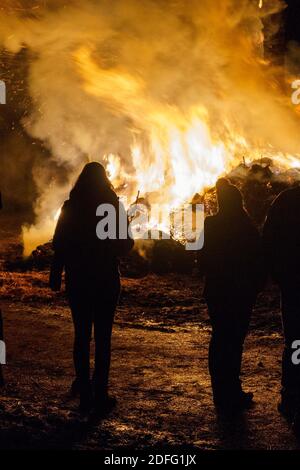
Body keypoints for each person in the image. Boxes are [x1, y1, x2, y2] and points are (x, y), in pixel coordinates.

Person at [50, 162, 134, 415]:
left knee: (81, 335)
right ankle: (100, 391)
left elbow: (59, 244)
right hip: (105, 279)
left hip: (78, 279)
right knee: (103, 338)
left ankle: (84, 388)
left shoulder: (71, 206)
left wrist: (56, 274)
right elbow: (126, 244)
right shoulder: (111, 206)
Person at [198, 178, 265, 416]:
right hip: (239, 293)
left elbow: (202, 257)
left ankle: (221, 392)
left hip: (217, 291)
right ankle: (233, 391)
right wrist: (257, 285)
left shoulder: (211, 224)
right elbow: (258, 260)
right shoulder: (246, 227)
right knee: (234, 341)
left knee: (219, 339)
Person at [263, 185, 300, 424]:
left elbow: (268, 239)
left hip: (293, 283)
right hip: (293, 281)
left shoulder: (286, 200)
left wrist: (276, 274)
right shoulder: (287, 200)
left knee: (296, 341)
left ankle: (292, 397)